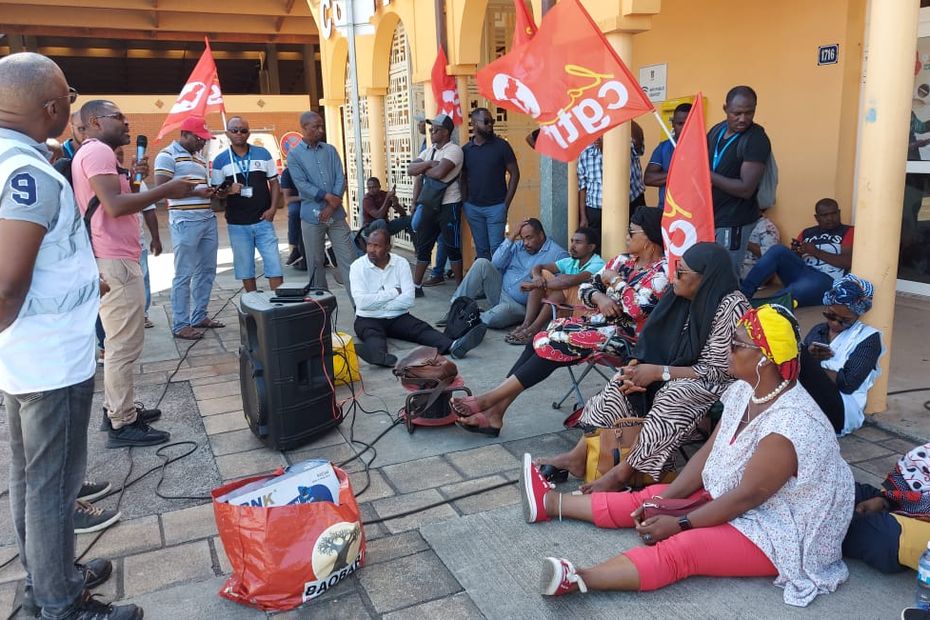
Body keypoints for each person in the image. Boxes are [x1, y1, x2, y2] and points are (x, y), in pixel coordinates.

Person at [521, 304, 854, 608]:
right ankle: (550, 505)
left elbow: (745, 498)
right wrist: (665, 501)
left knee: (685, 548)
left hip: (784, 530)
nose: (728, 348)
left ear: (765, 358)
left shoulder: (790, 424)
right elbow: (709, 454)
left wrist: (679, 522)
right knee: (650, 496)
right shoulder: (744, 389)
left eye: (736, 344)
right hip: (747, 497)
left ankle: (578, 578)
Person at [0, 51, 142, 620]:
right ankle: (59, 603)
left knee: (30, 477)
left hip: (26, 355)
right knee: (54, 487)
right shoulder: (27, 174)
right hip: (49, 359)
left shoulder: (12, 158)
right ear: (54, 107)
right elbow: (10, 284)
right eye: (67, 97)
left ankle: (49, 576)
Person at [536, 243, 748, 490]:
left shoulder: (731, 306)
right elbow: (654, 341)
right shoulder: (679, 296)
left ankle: (624, 473)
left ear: (705, 278)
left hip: (712, 381)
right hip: (669, 370)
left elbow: (720, 370)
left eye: (682, 273)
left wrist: (658, 372)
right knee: (621, 384)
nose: (674, 277)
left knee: (674, 395)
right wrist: (637, 366)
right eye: (675, 270)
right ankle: (577, 457)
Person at [450, 209, 667, 435]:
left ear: (650, 238)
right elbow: (586, 288)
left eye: (632, 233)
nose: (627, 237)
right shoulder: (622, 260)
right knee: (540, 337)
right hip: (597, 324)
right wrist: (600, 297)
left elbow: (638, 310)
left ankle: (489, 401)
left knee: (556, 341)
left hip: (628, 338)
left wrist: (615, 282)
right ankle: (496, 412)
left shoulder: (662, 271)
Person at [74, 99, 204, 447]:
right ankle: (121, 423)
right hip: (113, 259)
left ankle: (119, 408)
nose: (127, 122)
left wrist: (135, 180)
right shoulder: (97, 152)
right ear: (95, 122)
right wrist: (167, 189)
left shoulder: (100, 155)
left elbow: (114, 199)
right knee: (121, 345)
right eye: (118, 117)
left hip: (116, 255)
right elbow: (115, 208)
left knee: (123, 342)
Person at [349, 229, 486, 367]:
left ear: (388, 248)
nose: (371, 249)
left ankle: (454, 346)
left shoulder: (401, 263)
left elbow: (408, 299)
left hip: (397, 317)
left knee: (421, 329)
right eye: (370, 245)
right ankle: (379, 356)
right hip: (368, 318)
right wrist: (393, 293)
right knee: (373, 336)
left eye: (377, 246)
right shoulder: (357, 267)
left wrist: (378, 303)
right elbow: (361, 302)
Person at [154, 116, 225, 340]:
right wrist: (196, 192)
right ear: (184, 134)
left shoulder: (200, 158)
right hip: (185, 221)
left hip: (206, 218)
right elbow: (161, 189)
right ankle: (180, 324)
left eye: (204, 139)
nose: (202, 143)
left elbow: (201, 187)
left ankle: (199, 315)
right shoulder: (167, 155)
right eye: (199, 138)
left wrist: (216, 192)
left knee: (207, 271)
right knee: (184, 274)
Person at [445, 218, 568, 330]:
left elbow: (559, 288)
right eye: (523, 238)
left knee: (494, 318)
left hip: (519, 305)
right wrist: (512, 236)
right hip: (499, 291)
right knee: (481, 263)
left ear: (541, 235)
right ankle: (455, 309)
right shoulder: (518, 246)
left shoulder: (558, 254)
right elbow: (496, 263)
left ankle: (470, 317)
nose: (525, 243)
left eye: (529, 238)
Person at [799, 274, 883, 435]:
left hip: (842, 410)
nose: (835, 323)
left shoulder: (869, 339)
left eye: (844, 320)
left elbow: (848, 383)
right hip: (811, 400)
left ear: (857, 316)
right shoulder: (818, 330)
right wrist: (810, 358)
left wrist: (809, 364)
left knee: (796, 355)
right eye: (830, 315)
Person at [287, 110, 355, 303]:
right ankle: (321, 307)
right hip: (311, 216)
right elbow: (301, 184)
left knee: (349, 260)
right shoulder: (294, 156)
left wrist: (332, 205)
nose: (321, 130)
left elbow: (340, 177)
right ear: (304, 128)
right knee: (316, 263)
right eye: (315, 127)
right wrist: (326, 197)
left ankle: (361, 308)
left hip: (335, 215)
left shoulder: (330, 150)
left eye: (321, 126)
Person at [211, 115, 283, 293]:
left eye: (243, 130)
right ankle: (253, 303)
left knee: (274, 263)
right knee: (245, 267)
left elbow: (274, 183)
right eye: (234, 130)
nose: (239, 134)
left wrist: (273, 209)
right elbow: (215, 194)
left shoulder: (263, 154)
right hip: (237, 223)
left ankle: (281, 303)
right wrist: (229, 190)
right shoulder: (221, 160)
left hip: (263, 220)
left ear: (248, 133)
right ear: (227, 133)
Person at [741, 197, 853, 307]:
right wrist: (797, 253)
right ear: (817, 217)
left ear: (839, 213)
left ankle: (764, 305)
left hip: (827, 280)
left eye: (833, 214)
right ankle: (743, 296)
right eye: (825, 215)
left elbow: (847, 262)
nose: (830, 218)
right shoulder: (807, 233)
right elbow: (794, 261)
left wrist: (816, 252)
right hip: (804, 272)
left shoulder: (848, 231)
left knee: (797, 289)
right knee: (778, 250)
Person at [504, 226, 604, 346]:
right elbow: (538, 267)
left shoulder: (598, 263)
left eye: (578, 242)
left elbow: (570, 281)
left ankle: (534, 329)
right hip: (567, 305)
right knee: (543, 274)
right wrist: (537, 278)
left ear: (591, 247)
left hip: (587, 310)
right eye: (572, 241)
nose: (572, 246)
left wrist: (535, 285)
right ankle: (526, 324)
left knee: (564, 285)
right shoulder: (572, 261)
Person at [708, 85, 771, 268]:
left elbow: (745, 188)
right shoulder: (716, 130)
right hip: (710, 217)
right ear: (725, 109)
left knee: (726, 275)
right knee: (709, 273)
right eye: (737, 113)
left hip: (734, 221)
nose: (743, 119)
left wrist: (708, 175)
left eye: (749, 113)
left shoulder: (756, 139)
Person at [844, 440, 930, 575]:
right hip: (918, 500)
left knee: (882, 537)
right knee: (844, 489)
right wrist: (886, 500)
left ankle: (813, 529)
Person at [408, 113, 465, 293]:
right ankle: (416, 286)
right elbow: (410, 169)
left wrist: (424, 168)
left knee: (452, 247)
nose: (432, 132)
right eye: (431, 129)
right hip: (430, 205)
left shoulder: (454, 150)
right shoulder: (429, 151)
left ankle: (460, 288)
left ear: (446, 132)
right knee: (424, 246)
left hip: (450, 204)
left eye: (436, 129)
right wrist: (430, 164)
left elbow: (440, 173)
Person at [461, 107, 520, 260]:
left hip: (496, 207)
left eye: (492, 121)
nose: (490, 125)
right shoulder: (466, 150)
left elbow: (515, 174)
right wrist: (465, 202)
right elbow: (462, 178)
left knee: (497, 250)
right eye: (486, 122)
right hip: (473, 208)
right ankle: (486, 282)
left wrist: (505, 204)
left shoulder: (502, 146)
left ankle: (499, 282)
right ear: (474, 124)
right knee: (481, 250)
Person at [644, 103, 692, 208]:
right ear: (673, 125)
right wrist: (680, 173)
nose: (684, 128)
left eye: (688, 123)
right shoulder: (663, 147)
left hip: (695, 211)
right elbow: (649, 178)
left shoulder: (706, 145)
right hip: (667, 211)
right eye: (680, 123)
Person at [738, 209, 780, 280]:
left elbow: (771, 256)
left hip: (754, 270)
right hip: (740, 266)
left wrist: (745, 243)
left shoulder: (766, 226)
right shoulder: (742, 224)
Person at [280, 167, 306, 270]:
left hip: (314, 199)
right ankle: (294, 247)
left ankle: (332, 249)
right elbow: (287, 199)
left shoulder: (311, 168)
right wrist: (305, 197)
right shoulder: (287, 173)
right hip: (298, 200)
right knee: (294, 212)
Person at [576, 138, 602, 238]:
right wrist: (583, 217)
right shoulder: (585, 153)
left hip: (621, 209)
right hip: (594, 210)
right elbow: (582, 188)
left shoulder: (623, 148)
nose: (597, 138)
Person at [630, 120, 646, 209]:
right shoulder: (588, 150)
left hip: (634, 199)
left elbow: (639, 149)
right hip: (596, 207)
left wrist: (627, 119)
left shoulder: (624, 138)